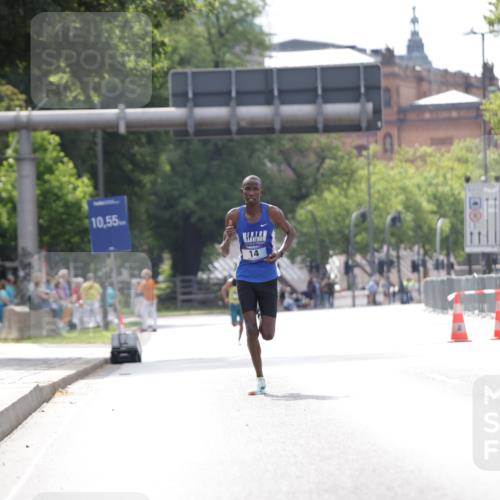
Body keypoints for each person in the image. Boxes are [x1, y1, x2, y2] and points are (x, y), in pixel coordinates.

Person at [220, 175, 296, 395]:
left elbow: (291, 233)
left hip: (268, 277)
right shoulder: (233, 215)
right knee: (251, 329)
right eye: (247, 189)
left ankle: (263, 315)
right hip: (244, 277)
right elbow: (224, 251)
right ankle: (260, 378)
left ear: (261, 191)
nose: (251, 193)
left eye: (255, 189)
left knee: (268, 334)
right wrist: (227, 239)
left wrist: (279, 253)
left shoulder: (272, 212)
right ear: (242, 192)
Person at [220, 277, 244, 344]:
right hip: (233, 305)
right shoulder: (230, 282)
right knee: (234, 324)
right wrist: (225, 298)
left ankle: (239, 339)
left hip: (241, 305)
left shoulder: (243, 281)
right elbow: (223, 289)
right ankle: (239, 322)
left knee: (242, 325)